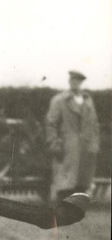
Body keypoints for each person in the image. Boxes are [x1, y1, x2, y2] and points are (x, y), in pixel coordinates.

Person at [46, 70, 100, 202]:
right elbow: (51, 123)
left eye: (78, 81)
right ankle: (62, 209)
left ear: (82, 82)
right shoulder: (59, 100)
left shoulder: (87, 100)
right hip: (67, 145)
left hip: (86, 147)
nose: (75, 83)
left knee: (82, 182)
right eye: (73, 80)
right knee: (65, 182)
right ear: (69, 81)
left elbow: (94, 124)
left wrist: (95, 143)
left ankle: (77, 209)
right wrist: (54, 142)